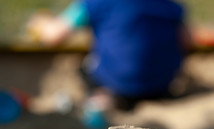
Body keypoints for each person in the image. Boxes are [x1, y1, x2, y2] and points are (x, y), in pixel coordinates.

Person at [28, 0, 185, 110]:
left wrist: (40, 24)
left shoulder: (96, 2)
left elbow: (55, 36)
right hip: (163, 83)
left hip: (119, 83)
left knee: (86, 65)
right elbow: (186, 39)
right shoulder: (170, 4)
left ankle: (102, 98)